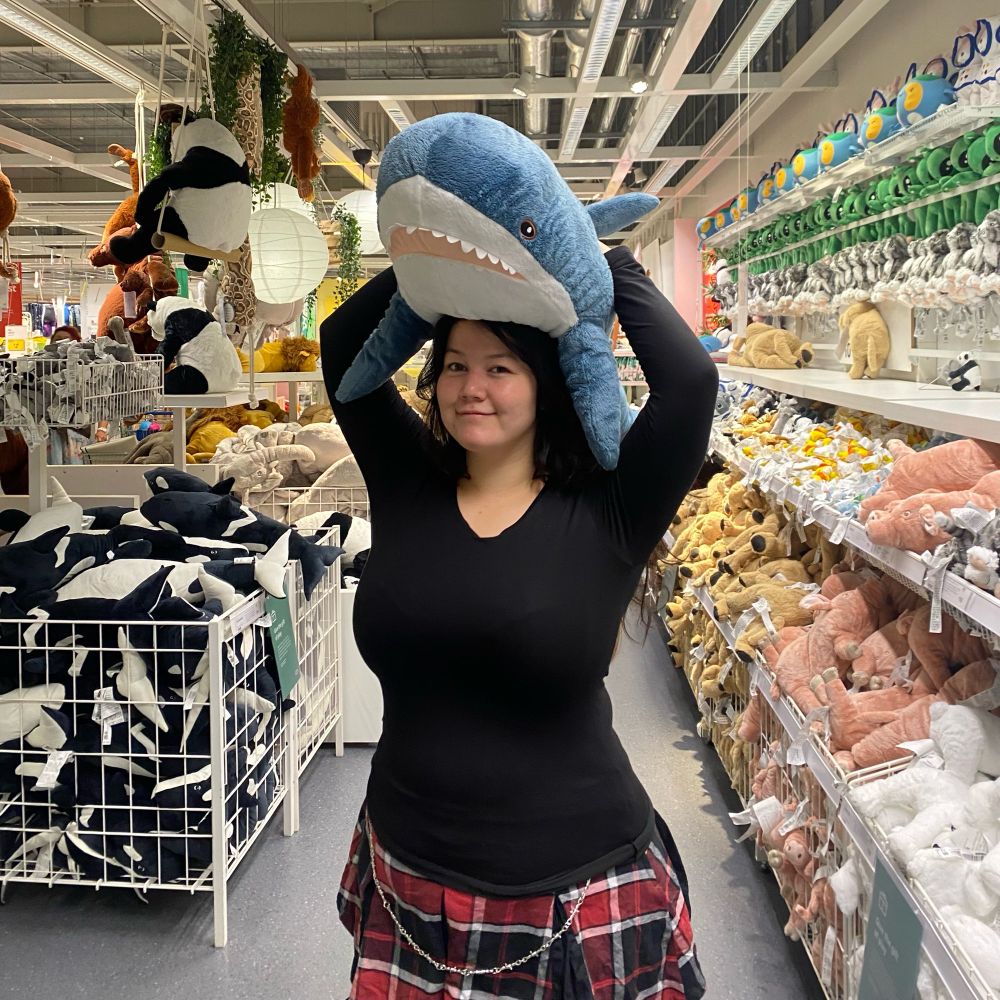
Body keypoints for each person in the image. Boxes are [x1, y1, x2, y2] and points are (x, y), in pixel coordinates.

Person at [321, 243, 718, 999]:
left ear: (547, 382)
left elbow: (691, 383)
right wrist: (435, 251)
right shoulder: (408, 479)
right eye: (456, 364)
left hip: (571, 892)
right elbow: (344, 345)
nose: (472, 387)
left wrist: (600, 258)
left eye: (501, 366)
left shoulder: (611, 505)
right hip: (406, 870)